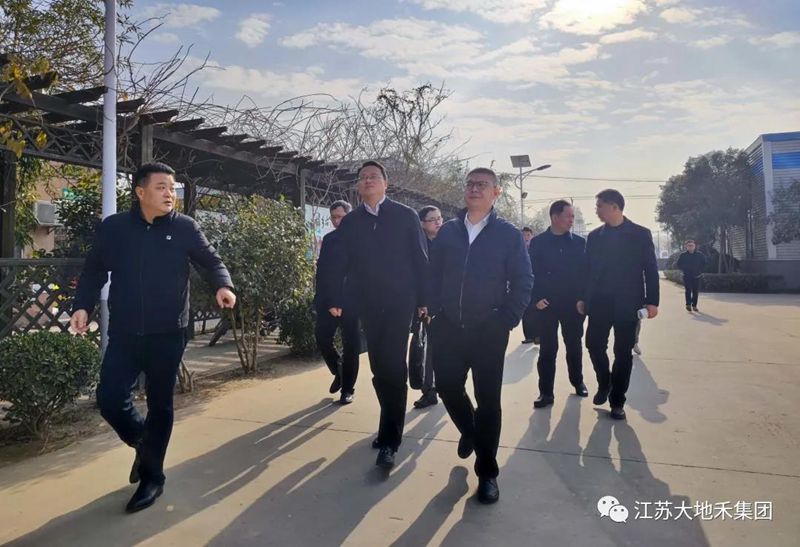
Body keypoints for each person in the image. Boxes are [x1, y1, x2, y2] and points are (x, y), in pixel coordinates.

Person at [70, 162, 236, 513]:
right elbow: (94, 270)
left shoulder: (185, 227)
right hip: (125, 330)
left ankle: (152, 477)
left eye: (172, 188)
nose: (169, 194)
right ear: (140, 192)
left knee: (161, 404)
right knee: (110, 398)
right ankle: (145, 446)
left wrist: (223, 286)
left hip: (168, 332)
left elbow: (211, 261)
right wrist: (82, 305)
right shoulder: (115, 229)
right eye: (161, 187)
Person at [429, 167, 533, 504]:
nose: (474, 189)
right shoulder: (448, 231)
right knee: (447, 387)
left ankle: (487, 473)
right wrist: (432, 309)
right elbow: (433, 274)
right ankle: (471, 430)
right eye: (470, 184)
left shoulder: (508, 235)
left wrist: (507, 319)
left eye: (482, 185)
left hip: (489, 329)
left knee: (488, 401)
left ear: (496, 192)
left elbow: (523, 280)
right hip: (448, 326)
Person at [328, 161, 428, 469]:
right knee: (378, 369)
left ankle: (389, 440)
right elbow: (341, 264)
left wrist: (424, 302)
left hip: (399, 304)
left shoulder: (405, 216)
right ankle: (388, 423)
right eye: (363, 177)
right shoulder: (352, 222)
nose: (368, 181)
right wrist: (336, 298)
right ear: (358, 186)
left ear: (386, 184)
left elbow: (420, 259)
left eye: (374, 176)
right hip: (368, 306)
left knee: (392, 368)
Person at [578, 189, 659, 421]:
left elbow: (650, 269)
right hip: (599, 302)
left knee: (623, 353)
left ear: (614, 206)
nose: (597, 210)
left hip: (628, 303)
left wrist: (652, 301)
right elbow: (586, 270)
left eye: (599, 206)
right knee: (593, 345)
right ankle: (605, 382)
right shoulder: (595, 236)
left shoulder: (640, 234)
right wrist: (582, 297)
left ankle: (617, 401)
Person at [530, 200, 589, 409]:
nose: (572, 220)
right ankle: (546, 392)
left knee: (573, 346)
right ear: (554, 217)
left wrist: (582, 299)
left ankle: (578, 382)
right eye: (568, 216)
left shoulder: (579, 243)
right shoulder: (538, 243)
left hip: (573, 305)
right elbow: (530, 273)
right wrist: (536, 298)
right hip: (546, 305)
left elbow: (586, 275)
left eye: (573, 216)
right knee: (547, 349)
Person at [314, 200, 360, 405]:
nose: (336, 221)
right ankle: (338, 370)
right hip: (329, 301)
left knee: (351, 346)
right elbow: (323, 272)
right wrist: (326, 301)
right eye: (333, 217)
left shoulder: (360, 240)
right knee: (322, 338)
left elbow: (356, 275)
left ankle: (348, 389)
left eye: (340, 216)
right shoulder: (330, 239)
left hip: (352, 301)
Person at [412, 205, 443, 409]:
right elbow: (416, 278)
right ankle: (429, 390)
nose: (438, 222)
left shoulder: (450, 241)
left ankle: (452, 385)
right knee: (430, 347)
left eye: (439, 218)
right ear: (422, 224)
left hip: (451, 303)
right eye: (433, 219)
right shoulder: (417, 245)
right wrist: (422, 303)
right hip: (428, 305)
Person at [677, 239, 706, 312]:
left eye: (692, 245)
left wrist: (700, 271)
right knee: (688, 290)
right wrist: (684, 270)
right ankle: (688, 305)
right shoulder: (683, 255)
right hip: (687, 276)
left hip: (697, 276)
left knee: (695, 291)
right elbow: (678, 264)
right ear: (686, 247)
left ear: (695, 246)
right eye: (689, 246)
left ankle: (694, 305)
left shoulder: (700, 255)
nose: (690, 247)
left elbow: (704, 263)